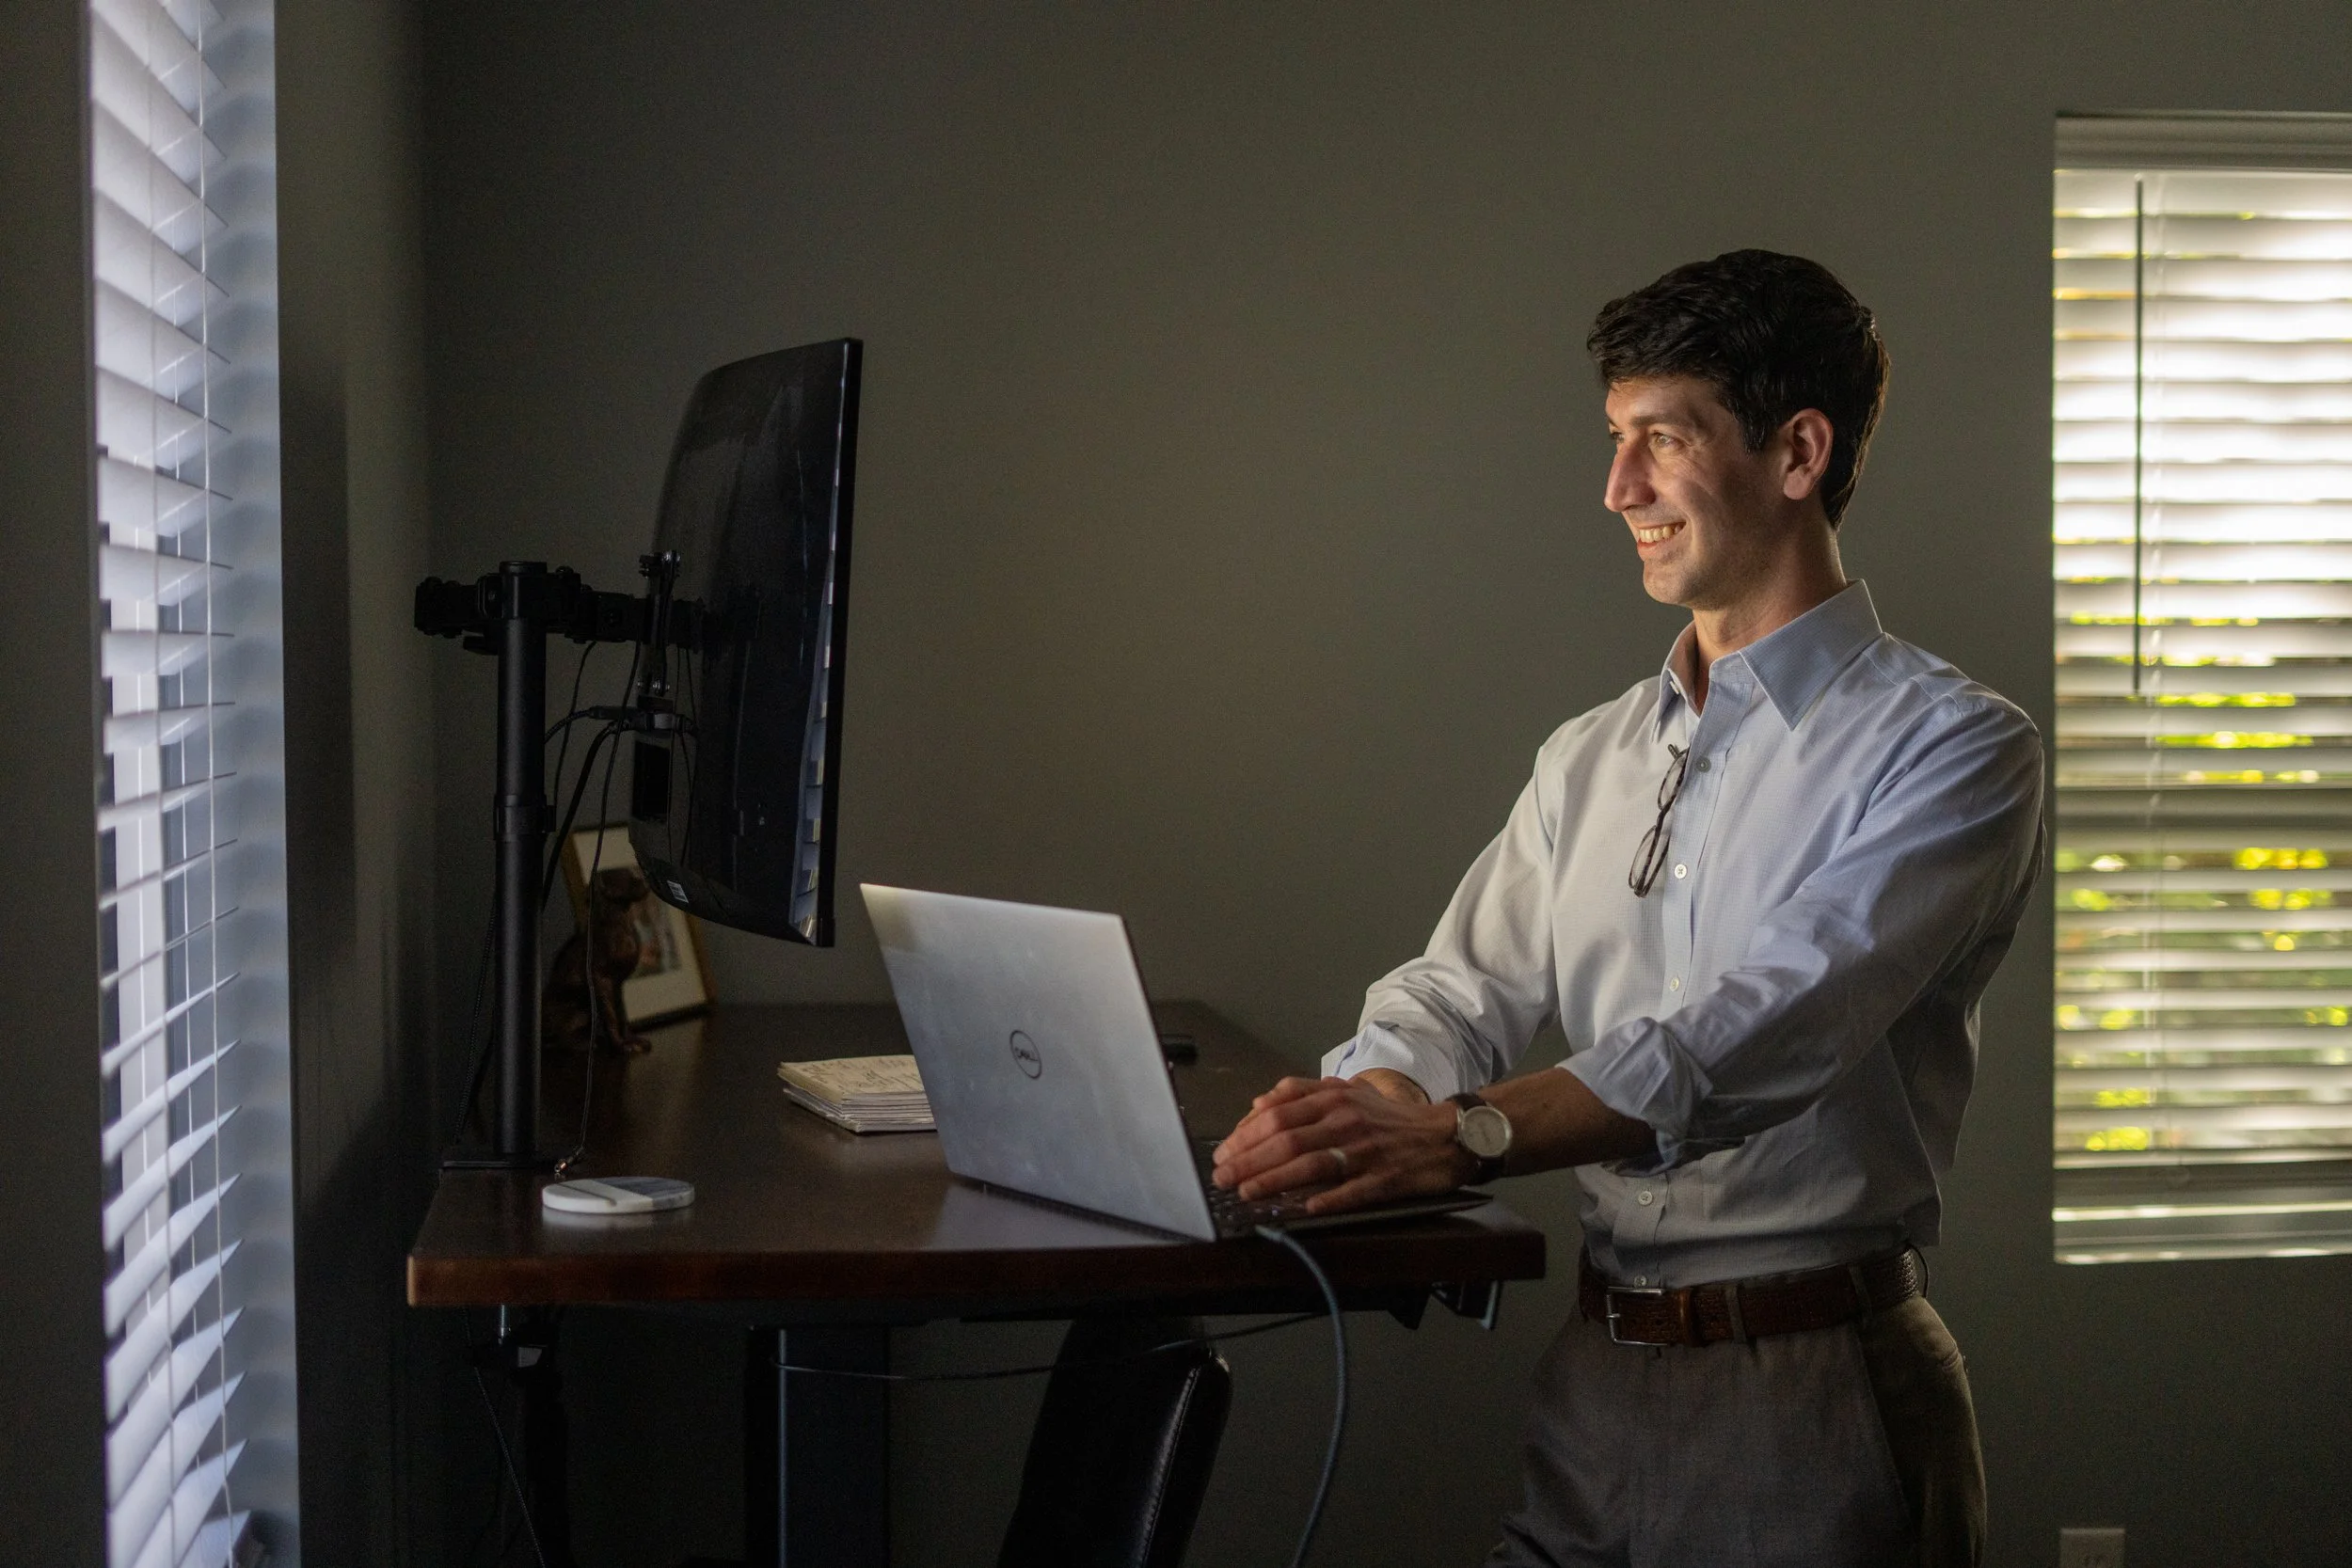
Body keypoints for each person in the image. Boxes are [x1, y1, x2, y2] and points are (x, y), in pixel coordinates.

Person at [1212, 249, 2043, 1568]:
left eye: (1661, 439)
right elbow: (1455, 987)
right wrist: (1366, 1104)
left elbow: (1756, 1027)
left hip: (1815, 1398)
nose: (1618, 490)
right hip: (1595, 1386)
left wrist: (1468, 1136)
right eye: (1615, 439)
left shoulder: (1953, 748)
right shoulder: (1591, 752)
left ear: (1798, 452)